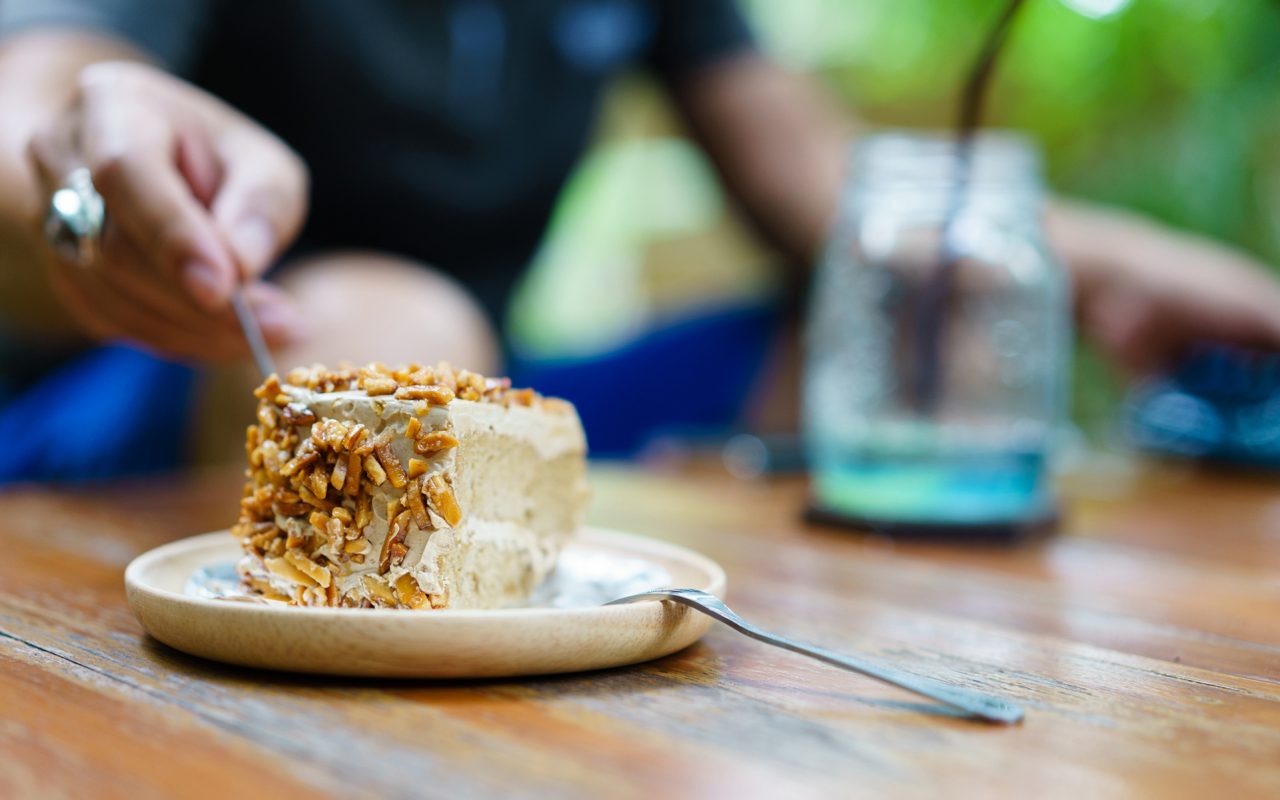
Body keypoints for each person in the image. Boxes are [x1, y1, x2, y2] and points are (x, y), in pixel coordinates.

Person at [2, 0, 1280, 476]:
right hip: (147, 382)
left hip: (486, 381)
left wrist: (1098, 256)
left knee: (875, 338)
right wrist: (84, 165)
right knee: (396, 330)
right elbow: (38, 87)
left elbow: (821, 181)